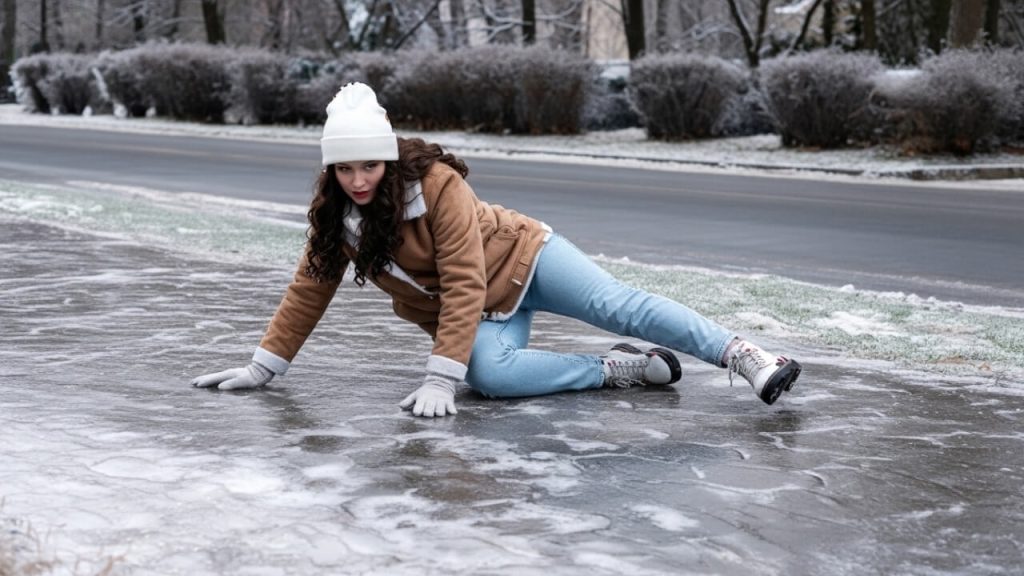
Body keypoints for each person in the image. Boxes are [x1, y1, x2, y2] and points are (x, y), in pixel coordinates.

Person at [191, 82, 802, 417]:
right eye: (345, 168)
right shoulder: (339, 218)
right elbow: (310, 286)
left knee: (622, 306)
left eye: (369, 163)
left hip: (525, 261)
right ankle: (623, 369)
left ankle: (745, 356)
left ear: (388, 154)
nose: (359, 179)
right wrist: (264, 366)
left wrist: (437, 376)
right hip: (480, 310)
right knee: (488, 376)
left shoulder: (435, 185)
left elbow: (461, 277)